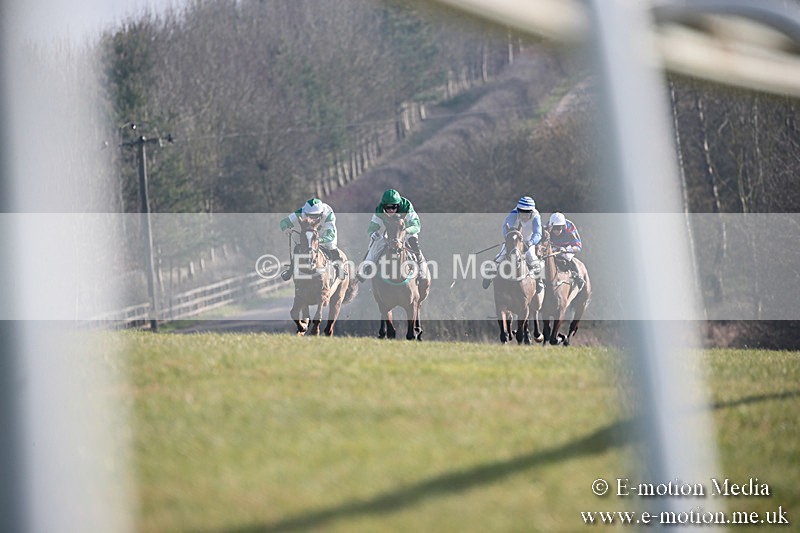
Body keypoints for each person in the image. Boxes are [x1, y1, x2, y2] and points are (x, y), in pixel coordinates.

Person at [354, 188, 428, 283]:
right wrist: (373, 233)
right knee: (375, 242)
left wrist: (405, 230)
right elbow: (372, 227)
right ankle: (366, 267)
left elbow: (416, 226)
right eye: (387, 208)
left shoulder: (406, 206)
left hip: (406, 230)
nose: (390, 210)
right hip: (390, 232)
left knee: (413, 241)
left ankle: (422, 268)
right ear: (383, 206)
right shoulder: (380, 210)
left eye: (393, 207)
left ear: (398, 205)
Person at [278, 198, 347, 281]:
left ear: (321, 213)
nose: (312, 219)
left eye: (315, 216)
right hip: (310, 232)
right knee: (299, 247)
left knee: (331, 245)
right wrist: (285, 229)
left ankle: (339, 268)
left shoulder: (328, 214)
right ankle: (291, 270)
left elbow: (330, 235)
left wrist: (318, 240)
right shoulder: (302, 211)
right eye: (309, 216)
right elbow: (284, 222)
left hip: (325, 232)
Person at [482, 196, 543, 290]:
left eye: (526, 213)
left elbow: (538, 233)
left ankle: (539, 281)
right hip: (514, 240)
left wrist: (531, 242)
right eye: (522, 213)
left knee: (532, 258)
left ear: (531, 212)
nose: (523, 216)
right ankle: (489, 275)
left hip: (528, 241)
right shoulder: (514, 213)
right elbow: (506, 226)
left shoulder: (536, 216)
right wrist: (508, 237)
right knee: (500, 255)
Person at [547, 211, 585, 289]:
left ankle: (577, 276)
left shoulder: (570, 228)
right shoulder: (547, 227)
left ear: (564, 226)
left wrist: (567, 250)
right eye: (554, 228)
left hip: (567, 248)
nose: (556, 231)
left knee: (566, 256)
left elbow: (578, 246)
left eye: (558, 228)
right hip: (553, 246)